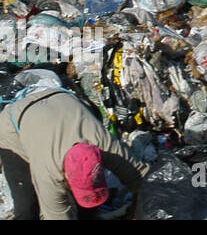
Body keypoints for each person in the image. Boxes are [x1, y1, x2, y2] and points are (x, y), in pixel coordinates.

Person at [0, 88, 148, 220]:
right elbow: (57, 215)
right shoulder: (48, 172)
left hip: (61, 100)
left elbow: (141, 179)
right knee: (26, 206)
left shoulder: (105, 145)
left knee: (90, 202)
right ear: (65, 175)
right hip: (14, 126)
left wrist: (137, 213)